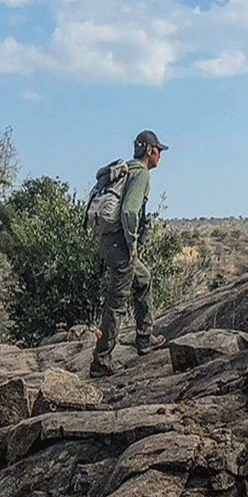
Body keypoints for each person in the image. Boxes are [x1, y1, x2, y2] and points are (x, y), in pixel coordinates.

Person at [89, 130, 168, 378]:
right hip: (121, 245)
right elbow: (130, 211)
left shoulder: (128, 169)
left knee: (143, 281)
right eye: (158, 151)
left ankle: (144, 339)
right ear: (149, 151)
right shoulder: (140, 173)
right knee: (117, 301)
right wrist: (132, 243)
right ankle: (101, 361)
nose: (159, 156)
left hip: (110, 240)